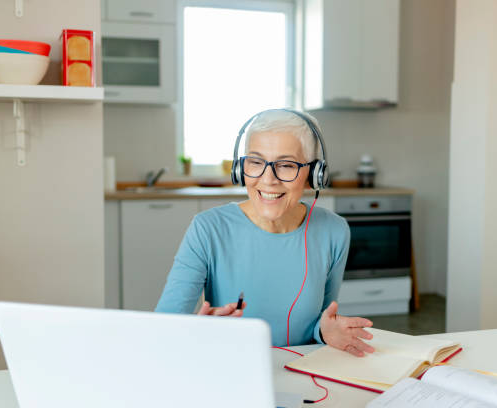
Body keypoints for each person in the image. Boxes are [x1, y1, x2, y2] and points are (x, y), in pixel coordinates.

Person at [156, 109, 375, 357]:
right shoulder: (208, 229)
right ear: (241, 168)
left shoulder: (334, 231)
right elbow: (164, 328)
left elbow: (320, 322)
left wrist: (324, 332)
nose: (268, 179)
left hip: (301, 373)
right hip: (228, 370)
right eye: (256, 162)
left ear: (314, 174)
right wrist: (196, 331)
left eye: (286, 165)